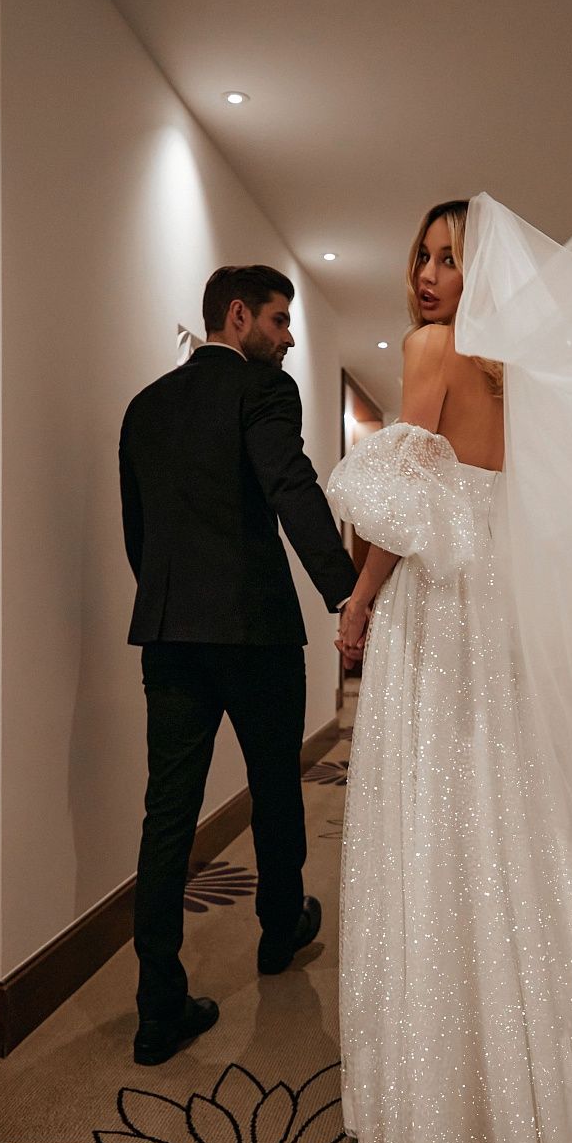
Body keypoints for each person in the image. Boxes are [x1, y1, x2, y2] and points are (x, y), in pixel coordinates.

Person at [329, 203, 572, 1143]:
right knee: (516, 818)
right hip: (506, 607)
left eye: (451, 260)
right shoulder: (522, 378)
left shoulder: (431, 350)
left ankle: (456, 1110)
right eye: (423, 257)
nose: (430, 276)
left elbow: (401, 508)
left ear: (483, 279)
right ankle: (566, 1091)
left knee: (438, 816)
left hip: (442, 609)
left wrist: (358, 600)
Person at [120, 264, 357, 1066]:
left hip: (169, 633)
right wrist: (347, 592)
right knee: (275, 784)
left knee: (167, 814)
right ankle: (279, 930)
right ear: (237, 315)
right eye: (279, 320)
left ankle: (158, 1009)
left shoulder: (146, 406)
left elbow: (139, 533)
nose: (288, 338)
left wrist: (171, 604)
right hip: (256, 631)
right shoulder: (264, 389)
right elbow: (290, 485)